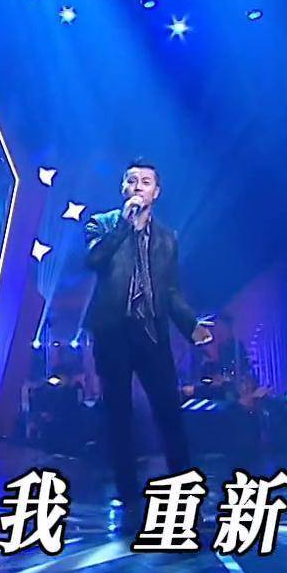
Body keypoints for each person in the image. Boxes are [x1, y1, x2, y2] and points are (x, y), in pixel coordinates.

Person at [84, 159, 212, 504]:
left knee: (168, 409)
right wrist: (124, 226)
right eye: (132, 180)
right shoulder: (102, 224)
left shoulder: (167, 238)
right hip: (113, 331)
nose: (138, 186)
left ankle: (182, 482)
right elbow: (94, 261)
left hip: (152, 331)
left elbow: (170, 290)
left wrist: (190, 324)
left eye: (145, 181)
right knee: (119, 413)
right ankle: (128, 492)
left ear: (156, 192)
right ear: (123, 188)